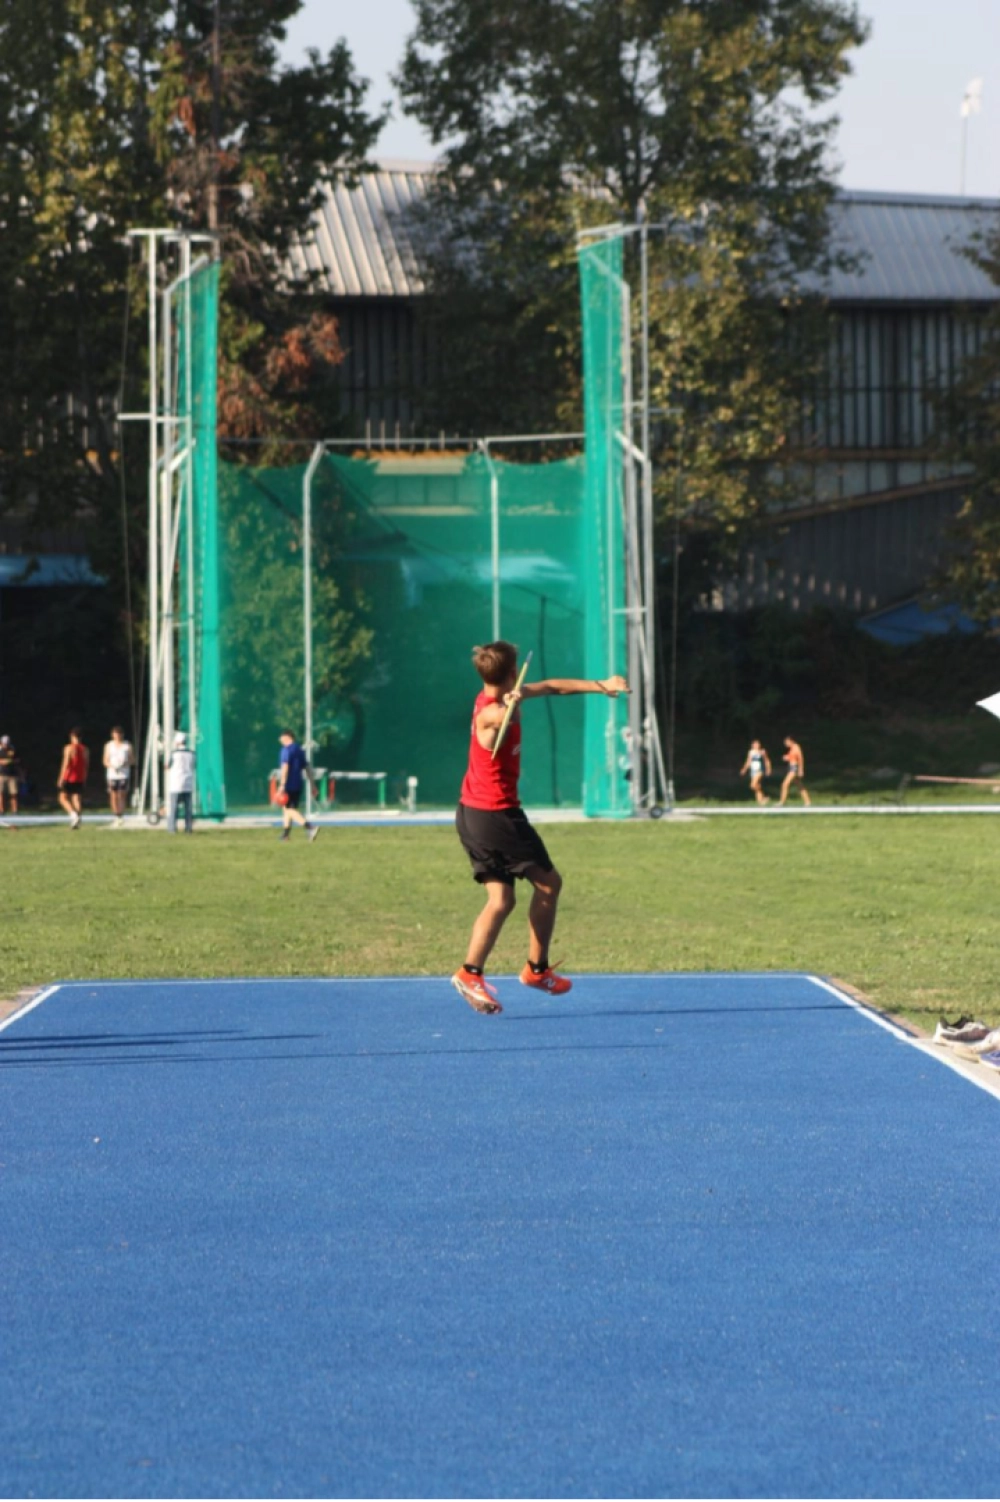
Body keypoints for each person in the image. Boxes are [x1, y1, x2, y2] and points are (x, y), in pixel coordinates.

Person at [452, 641, 630, 1015]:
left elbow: (551, 686)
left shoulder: (498, 694)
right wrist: (512, 707)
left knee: (502, 900)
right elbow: (497, 720)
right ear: (512, 673)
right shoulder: (492, 711)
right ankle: (536, 970)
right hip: (495, 816)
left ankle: (471, 973)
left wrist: (603, 684)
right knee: (550, 883)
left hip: (474, 813)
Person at [277, 731, 320, 842]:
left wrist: (282, 785)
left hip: (289, 785)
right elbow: (307, 768)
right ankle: (285, 835)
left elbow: (285, 767)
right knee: (287, 810)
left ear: (288, 737)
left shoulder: (286, 750)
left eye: (281, 737)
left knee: (289, 810)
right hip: (298, 785)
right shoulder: (300, 750)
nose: (280, 739)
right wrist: (313, 784)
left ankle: (310, 827)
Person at [57, 728, 89, 828]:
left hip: (69, 776)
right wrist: (84, 777)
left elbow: (66, 763)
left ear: (72, 737)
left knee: (62, 798)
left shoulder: (69, 748)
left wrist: (61, 777)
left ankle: (73, 814)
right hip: (80, 776)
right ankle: (78, 821)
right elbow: (86, 765)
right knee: (77, 798)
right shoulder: (85, 749)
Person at [103, 726, 134, 827]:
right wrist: (112, 766)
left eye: (119, 734)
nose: (117, 736)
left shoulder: (127, 745)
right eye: (115, 734)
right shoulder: (109, 745)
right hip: (112, 774)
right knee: (113, 794)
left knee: (122, 794)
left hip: (123, 774)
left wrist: (125, 763)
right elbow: (105, 760)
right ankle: (116, 814)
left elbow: (132, 760)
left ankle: (121, 814)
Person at [166, 731, 196, 834]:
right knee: (188, 808)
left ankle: (172, 828)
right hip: (188, 782)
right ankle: (188, 828)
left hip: (176, 783)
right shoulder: (192, 753)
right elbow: (194, 765)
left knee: (174, 807)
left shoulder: (174, 754)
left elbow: (168, 766)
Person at [779, 735, 812, 806]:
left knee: (785, 784)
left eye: (787, 742)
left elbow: (800, 758)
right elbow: (792, 758)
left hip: (794, 768)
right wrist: (787, 758)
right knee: (799, 785)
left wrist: (801, 769)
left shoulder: (796, 747)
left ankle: (782, 802)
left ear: (791, 741)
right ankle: (807, 801)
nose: (786, 744)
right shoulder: (791, 749)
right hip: (791, 767)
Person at [739, 739, 772, 806]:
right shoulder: (751, 752)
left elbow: (767, 761)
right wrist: (744, 769)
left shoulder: (762, 752)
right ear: (752, 745)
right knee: (758, 786)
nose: (756, 745)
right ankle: (761, 802)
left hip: (759, 771)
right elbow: (748, 762)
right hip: (753, 771)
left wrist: (768, 769)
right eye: (755, 744)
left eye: (758, 744)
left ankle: (763, 797)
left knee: (752, 785)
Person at [0, 735, 21, 815]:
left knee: (14, 793)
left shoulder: (13, 749)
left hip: (12, 775)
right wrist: (3, 762)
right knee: (1, 793)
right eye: (5, 743)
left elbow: (18, 760)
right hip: (2, 775)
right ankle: (1, 810)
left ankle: (14, 811)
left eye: (7, 743)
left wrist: (11, 761)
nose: (6, 745)